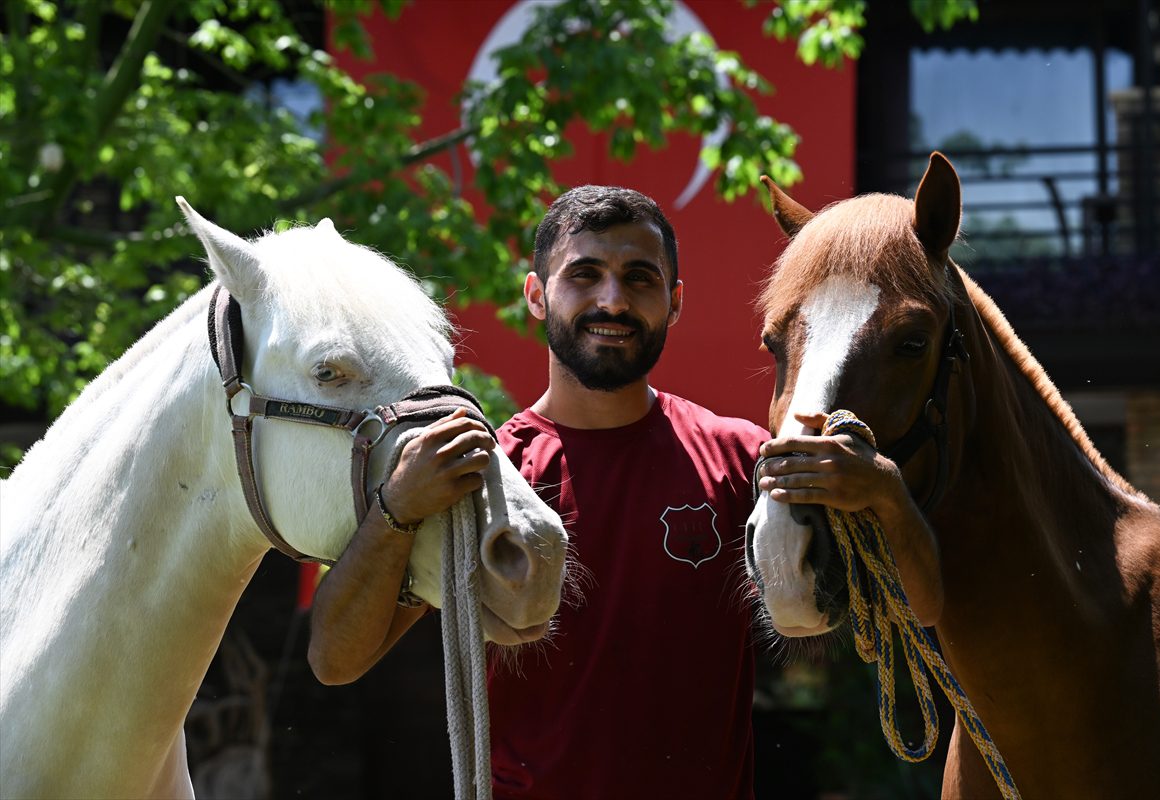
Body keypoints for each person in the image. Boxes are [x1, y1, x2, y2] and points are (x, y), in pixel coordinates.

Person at [308, 186, 943, 799]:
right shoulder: (484, 477)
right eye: (584, 275)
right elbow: (335, 660)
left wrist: (885, 495)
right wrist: (395, 510)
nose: (613, 300)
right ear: (536, 295)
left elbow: (921, 610)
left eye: (640, 278)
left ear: (675, 302)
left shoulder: (746, 459)